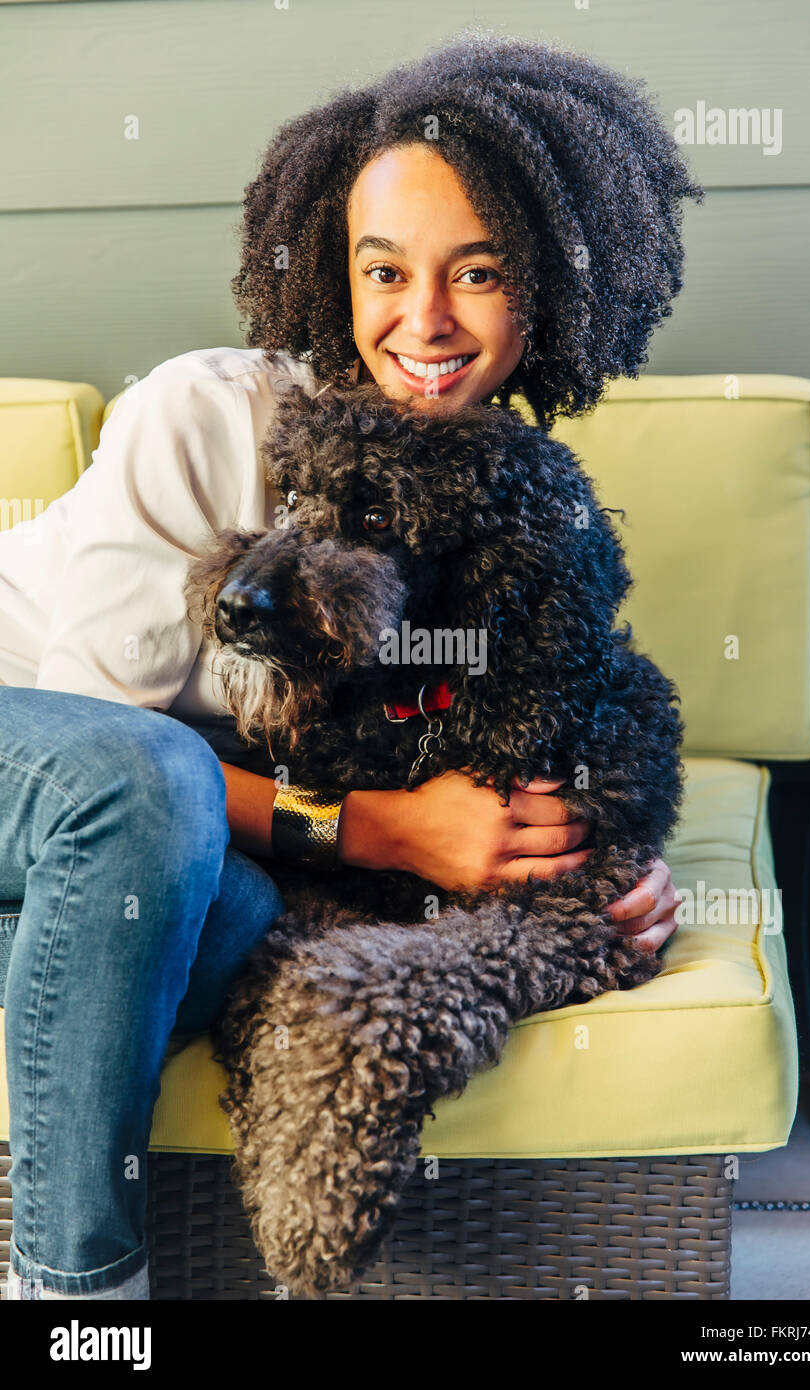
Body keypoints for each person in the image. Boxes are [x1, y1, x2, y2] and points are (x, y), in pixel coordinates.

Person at [0, 30, 699, 1300]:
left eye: (476, 272)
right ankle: (71, 1300)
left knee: (233, 919)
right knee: (156, 781)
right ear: (331, 270)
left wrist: (591, 872)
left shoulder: (500, 498)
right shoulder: (208, 416)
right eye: (383, 271)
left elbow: (537, 714)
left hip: (120, 850)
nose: (421, 322)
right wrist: (380, 833)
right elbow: (109, 773)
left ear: (549, 287)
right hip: (38, 753)